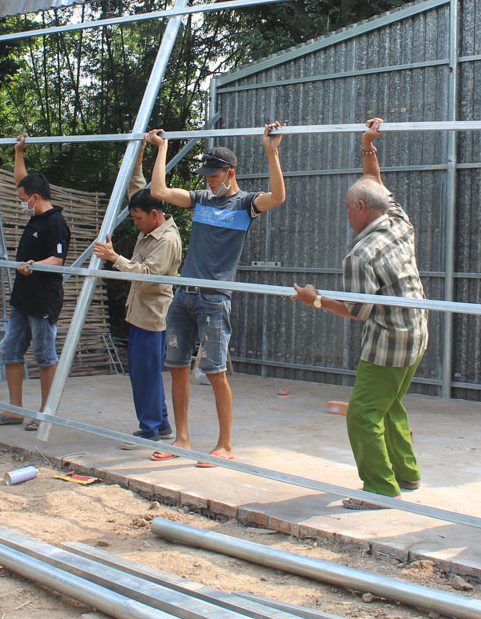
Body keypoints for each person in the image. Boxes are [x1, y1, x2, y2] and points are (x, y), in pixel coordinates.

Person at [291, 118, 428, 509]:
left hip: (388, 344)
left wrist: (313, 299)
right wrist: (368, 146)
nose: (347, 215)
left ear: (361, 207)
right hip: (417, 333)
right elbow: (377, 187)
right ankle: (407, 471)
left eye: (348, 208)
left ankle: (380, 488)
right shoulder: (399, 222)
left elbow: (355, 311)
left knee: (363, 414)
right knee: (390, 405)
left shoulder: (360, 254)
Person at [147, 121, 287, 465]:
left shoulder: (245, 204)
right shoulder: (200, 200)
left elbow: (279, 197)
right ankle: (181, 439)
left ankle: (225, 445)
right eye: (206, 174)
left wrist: (272, 151)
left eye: (214, 173)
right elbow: (160, 192)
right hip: (184, 296)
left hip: (214, 299)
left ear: (231, 173)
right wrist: (161, 149)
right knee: (177, 367)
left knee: (215, 371)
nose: (208, 179)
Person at [92, 139, 182, 442]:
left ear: (155, 215)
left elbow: (146, 277)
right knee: (145, 373)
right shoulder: (149, 217)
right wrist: (142, 150)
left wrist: (115, 258)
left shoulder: (166, 240)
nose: (135, 224)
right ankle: (159, 423)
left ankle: (152, 428)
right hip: (139, 311)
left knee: (146, 374)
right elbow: (137, 186)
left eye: (138, 219)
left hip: (152, 316)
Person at [0, 135, 70, 431]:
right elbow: (22, 179)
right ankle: (14, 410)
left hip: (43, 299)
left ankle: (46, 412)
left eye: (24, 199)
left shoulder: (55, 223)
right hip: (22, 298)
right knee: (11, 351)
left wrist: (35, 266)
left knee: (45, 355)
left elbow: (58, 261)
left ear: (35, 196)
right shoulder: (35, 214)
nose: (22, 202)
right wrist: (18, 152)